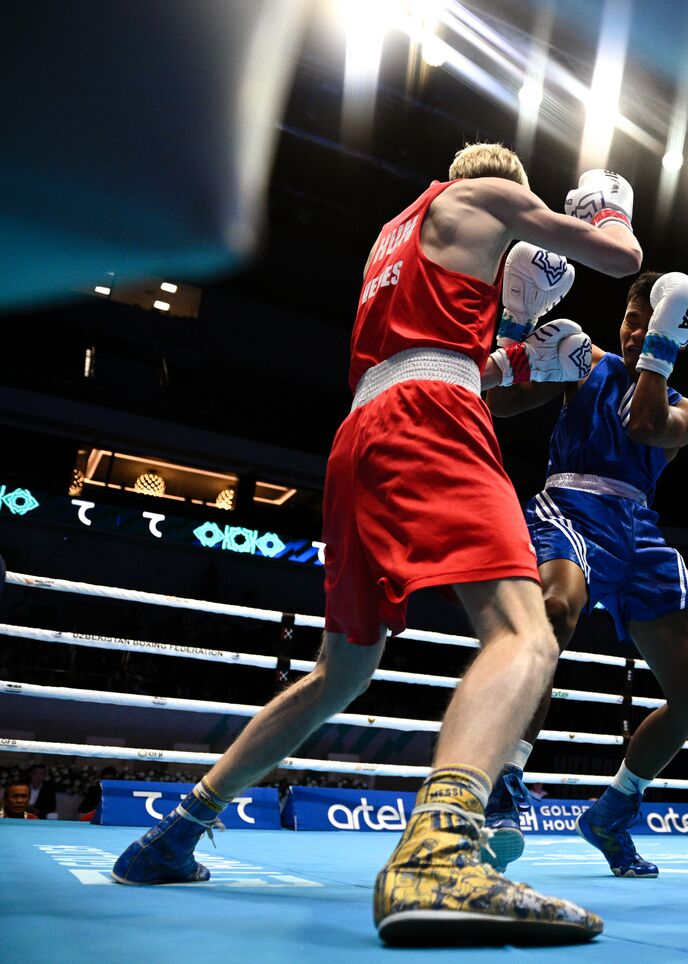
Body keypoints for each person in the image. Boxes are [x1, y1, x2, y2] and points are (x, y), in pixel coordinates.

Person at [111, 144, 642, 946]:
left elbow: (437, 351)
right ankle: (440, 852)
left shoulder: (396, 231)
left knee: (342, 671)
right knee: (526, 633)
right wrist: (606, 207)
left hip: (361, 432)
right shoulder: (492, 196)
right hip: (430, 417)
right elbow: (620, 258)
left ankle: (173, 834)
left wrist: (515, 354)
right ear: (502, 186)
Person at [482, 270, 688, 878]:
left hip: (638, 530)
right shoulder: (582, 362)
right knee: (554, 610)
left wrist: (659, 348)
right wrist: (515, 337)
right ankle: (504, 780)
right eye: (633, 321)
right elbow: (500, 402)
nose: (637, 334)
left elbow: (644, 425)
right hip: (570, 509)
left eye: (651, 324)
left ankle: (612, 812)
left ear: (675, 330)